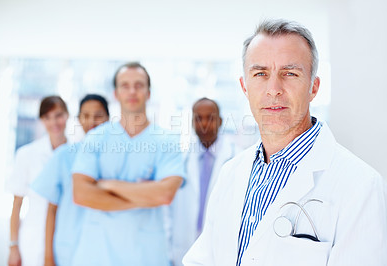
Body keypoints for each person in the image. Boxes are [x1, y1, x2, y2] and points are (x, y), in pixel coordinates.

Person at [183, 19, 387, 266]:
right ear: (244, 87)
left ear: (314, 87)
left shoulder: (361, 186)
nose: (273, 89)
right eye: (260, 74)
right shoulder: (231, 174)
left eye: (290, 73)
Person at [71, 62, 185, 266]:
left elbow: (164, 195)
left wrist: (108, 185)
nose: (132, 91)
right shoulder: (95, 139)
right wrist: (145, 196)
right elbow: (81, 194)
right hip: (97, 255)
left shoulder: (166, 141)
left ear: (149, 93)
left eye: (139, 85)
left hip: (147, 256)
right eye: (125, 85)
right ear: (116, 93)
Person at [31, 94, 110, 266]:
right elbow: (51, 210)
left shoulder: (117, 159)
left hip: (105, 252)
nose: (92, 122)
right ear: (79, 119)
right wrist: (48, 258)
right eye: (86, 116)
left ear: (108, 118)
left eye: (98, 115)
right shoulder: (64, 156)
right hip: (68, 250)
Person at [170, 98, 239, 266]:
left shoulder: (237, 160)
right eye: (198, 118)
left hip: (220, 250)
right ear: (192, 122)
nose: (205, 123)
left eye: (211, 118)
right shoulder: (179, 159)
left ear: (220, 121)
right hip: (183, 249)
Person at [7, 96, 69, 266]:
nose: (54, 122)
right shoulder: (27, 154)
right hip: (34, 239)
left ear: (67, 115)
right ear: (41, 120)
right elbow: (17, 205)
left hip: (66, 238)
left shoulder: (76, 153)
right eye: (47, 117)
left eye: (58, 115)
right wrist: (14, 247)